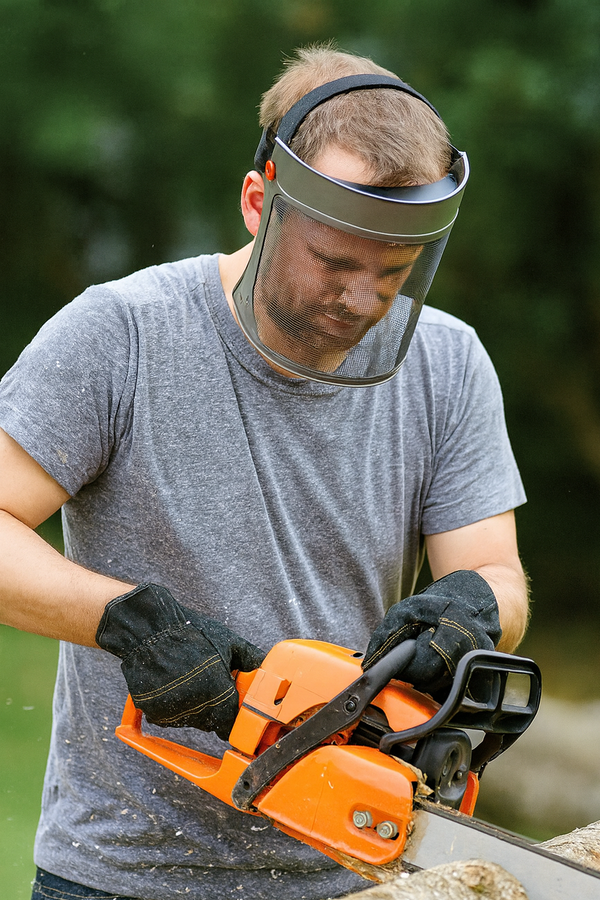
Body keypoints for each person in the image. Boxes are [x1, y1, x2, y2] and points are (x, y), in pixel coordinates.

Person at [0, 45, 529, 900]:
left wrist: (472, 609)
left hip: (353, 865)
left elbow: (498, 575)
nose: (361, 300)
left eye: (392, 275)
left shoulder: (448, 362)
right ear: (259, 203)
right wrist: (125, 622)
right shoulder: (120, 335)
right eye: (334, 263)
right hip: (122, 874)